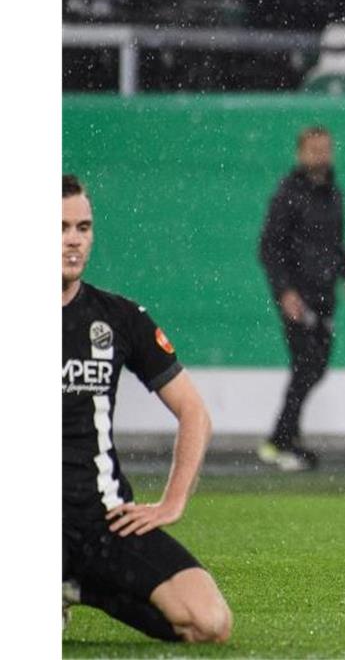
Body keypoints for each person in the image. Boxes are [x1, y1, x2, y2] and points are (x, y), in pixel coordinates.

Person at [62, 174, 232, 643]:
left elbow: (194, 412)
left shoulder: (118, 318)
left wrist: (172, 502)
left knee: (210, 623)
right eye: (60, 228)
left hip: (104, 521)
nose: (74, 240)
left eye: (83, 227)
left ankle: (74, 588)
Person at [257, 126, 345, 470]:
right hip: (298, 296)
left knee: (315, 367)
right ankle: (279, 440)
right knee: (306, 366)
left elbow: (335, 242)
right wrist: (284, 292)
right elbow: (269, 247)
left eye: (325, 149)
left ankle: (289, 436)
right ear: (300, 154)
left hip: (323, 295)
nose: (321, 156)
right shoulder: (288, 194)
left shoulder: (334, 193)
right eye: (314, 150)